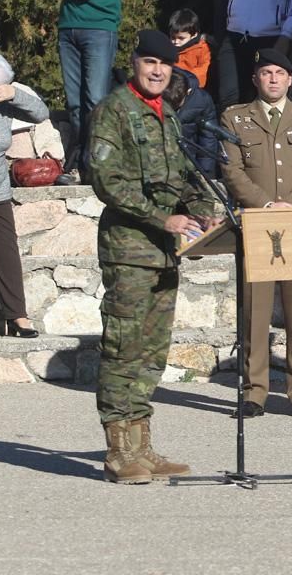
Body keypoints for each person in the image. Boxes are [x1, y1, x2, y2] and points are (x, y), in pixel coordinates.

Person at [90, 30, 219, 483]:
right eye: (150, 63)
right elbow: (107, 181)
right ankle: (117, 452)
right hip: (129, 249)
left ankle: (143, 446)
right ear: (136, 64)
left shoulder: (168, 117)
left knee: (152, 351)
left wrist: (203, 211)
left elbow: (184, 175)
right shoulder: (114, 111)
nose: (158, 71)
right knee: (123, 347)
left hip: (164, 254)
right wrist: (161, 218)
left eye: (165, 65)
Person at [219, 48, 292, 419]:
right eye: (266, 73)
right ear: (255, 79)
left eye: (280, 73)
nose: (274, 79)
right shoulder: (235, 118)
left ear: (291, 79)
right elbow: (232, 170)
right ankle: (255, 391)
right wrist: (267, 206)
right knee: (256, 312)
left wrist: (288, 207)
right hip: (258, 224)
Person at [45, 0, 126, 185]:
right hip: (68, 28)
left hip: (98, 29)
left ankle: (97, 164)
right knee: (75, 103)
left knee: (95, 100)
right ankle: (78, 162)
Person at [0, 53, 49, 339]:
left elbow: (41, 114)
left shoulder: (4, 103)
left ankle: (18, 315)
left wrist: (14, 93)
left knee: (6, 252)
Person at [164, 68, 219, 179]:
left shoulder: (202, 100)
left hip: (189, 161)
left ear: (188, 92)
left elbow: (208, 138)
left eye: (177, 106)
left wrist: (205, 171)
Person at [167, 8, 211, 88]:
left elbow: (203, 71)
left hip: (191, 87)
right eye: (173, 38)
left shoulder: (201, 49)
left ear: (194, 35)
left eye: (181, 38)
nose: (176, 42)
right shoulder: (167, 48)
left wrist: (183, 79)